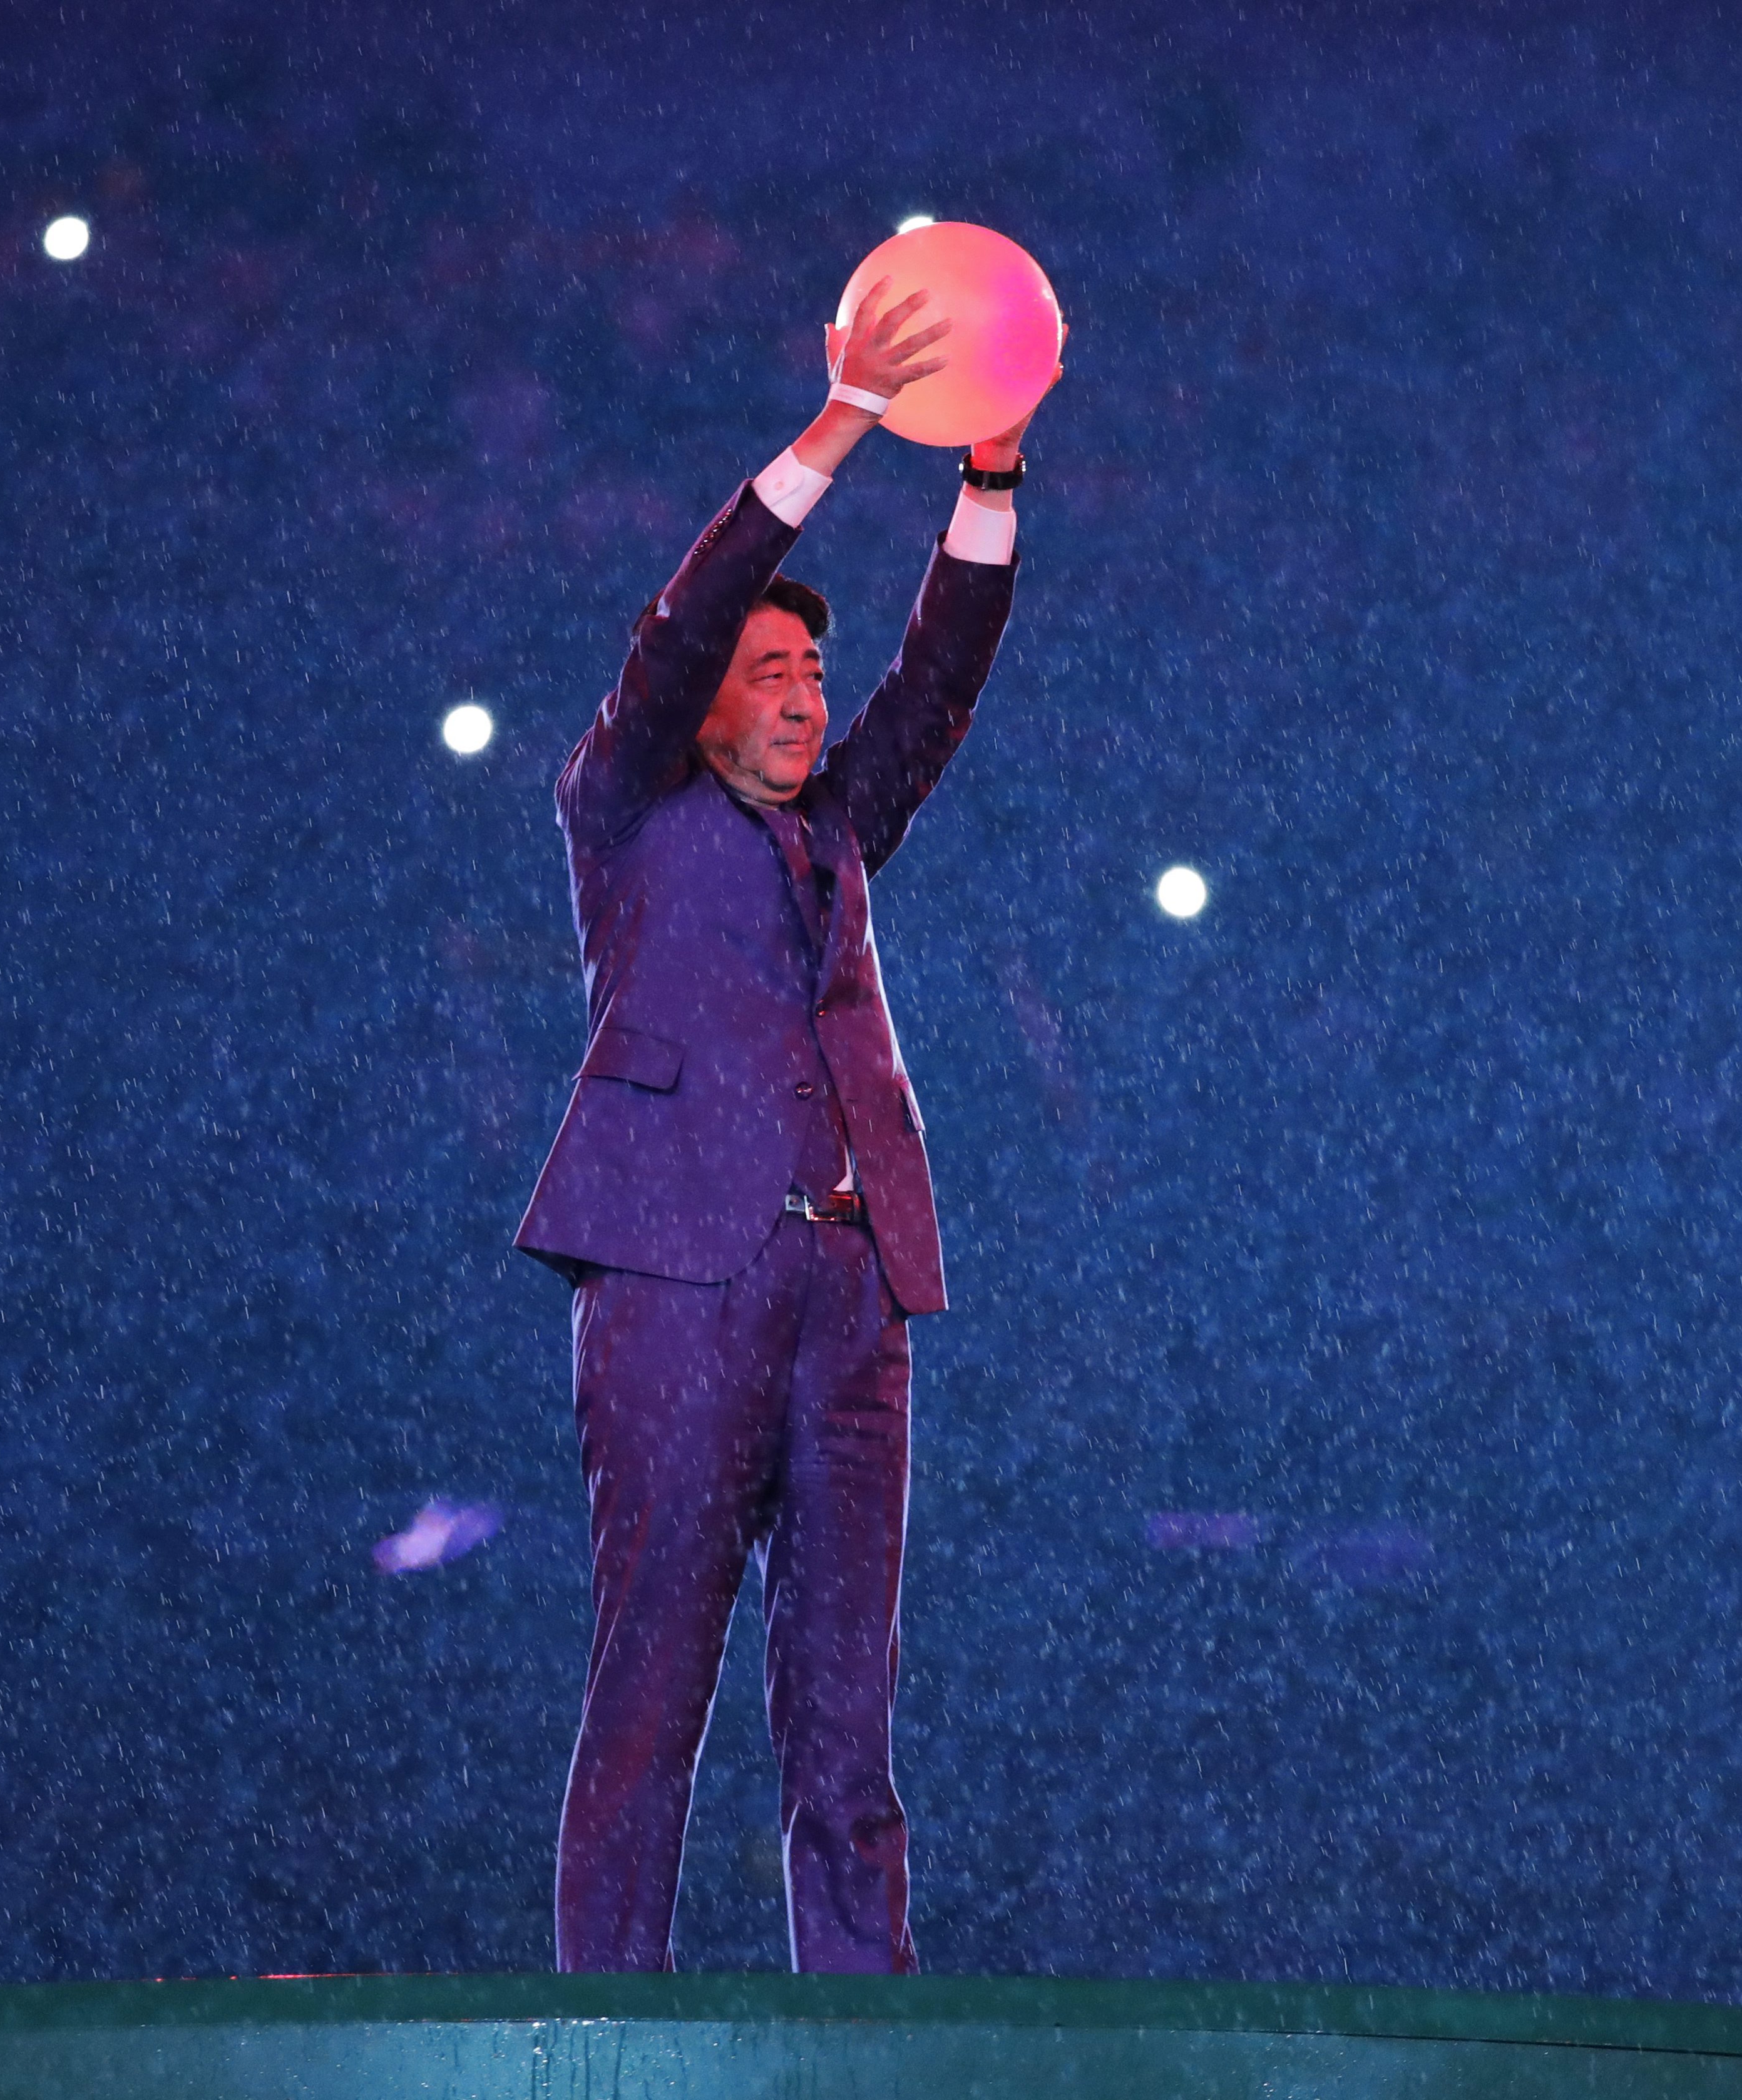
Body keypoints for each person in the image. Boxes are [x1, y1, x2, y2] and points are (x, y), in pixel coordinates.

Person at [514, 279, 1042, 1972]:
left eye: (815, 669)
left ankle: (867, 2029)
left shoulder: (842, 829)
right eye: (775, 672)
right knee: (655, 1674)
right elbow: (680, 629)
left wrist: (989, 480)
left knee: (847, 1714)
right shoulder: (625, 806)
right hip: (678, 1276)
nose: (810, 693)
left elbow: (938, 684)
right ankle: (610, 2019)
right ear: (702, 711)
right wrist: (838, 432)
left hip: (850, 1294)